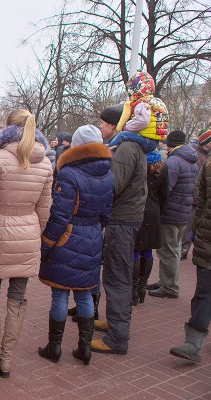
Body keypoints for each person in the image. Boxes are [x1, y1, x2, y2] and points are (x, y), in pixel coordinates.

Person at [0, 109, 53, 379]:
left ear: (8, 127)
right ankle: (6, 360)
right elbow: (45, 209)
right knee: (18, 298)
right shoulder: (44, 163)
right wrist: (33, 232)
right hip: (28, 232)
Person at [37, 125, 113, 366]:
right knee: (84, 294)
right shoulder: (108, 173)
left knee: (59, 294)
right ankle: (84, 348)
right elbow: (107, 213)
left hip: (67, 236)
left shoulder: (69, 173)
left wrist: (46, 244)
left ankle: (55, 347)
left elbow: (60, 215)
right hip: (92, 236)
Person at [91, 101, 158, 355]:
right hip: (124, 219)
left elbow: (113, 186)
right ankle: (115, 320)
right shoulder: (131, 147)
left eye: (103, 123)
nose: (100, 126)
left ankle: (117, 336)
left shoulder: (127, 148)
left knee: (117, 275)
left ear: (117, 124)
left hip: (121, 220)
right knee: (117, 273)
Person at [169, 154, 211, 363]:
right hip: (208, 238)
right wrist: (196, 229)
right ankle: (193, 343)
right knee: (204, 292)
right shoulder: (209, 164)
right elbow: (200, 199)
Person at [147, 130, 198, 298]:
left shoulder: (174, 161)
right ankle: (165, 281)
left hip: (171, 213)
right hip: (183, 211)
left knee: (167, 250)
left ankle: (169, 286)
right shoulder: (191, 160)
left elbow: (166, 189)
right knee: (173, 248)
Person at [131, 151, 168, 305]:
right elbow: (164, 194)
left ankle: (133, 291)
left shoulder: (139, 163)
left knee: (135, 250)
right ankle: (141, 289)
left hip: (138, 209)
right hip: (154, 211)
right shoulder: (162, 166)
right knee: (147, 250)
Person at [181, 128, 211, 259]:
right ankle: (185, 248)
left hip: (199, 196)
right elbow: (198, 179)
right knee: (191, 224)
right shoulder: (197, 155)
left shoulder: (206, 155)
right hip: (195, 196)